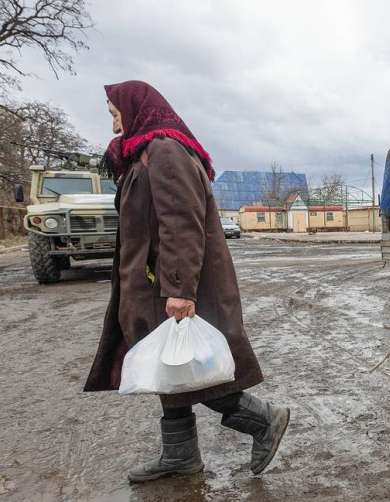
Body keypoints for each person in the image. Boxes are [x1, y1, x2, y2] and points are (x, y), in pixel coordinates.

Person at [84, 81, 289, 482]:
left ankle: (263, 420)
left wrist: (179, 289)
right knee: (172, 369)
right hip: (154, 286)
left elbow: (181, 224)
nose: (113, 126)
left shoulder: (163, 151)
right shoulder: (143, 154)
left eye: (115, 114)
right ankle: (180, 455)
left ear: (135, 108)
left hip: (179, 287)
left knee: (199, 369)